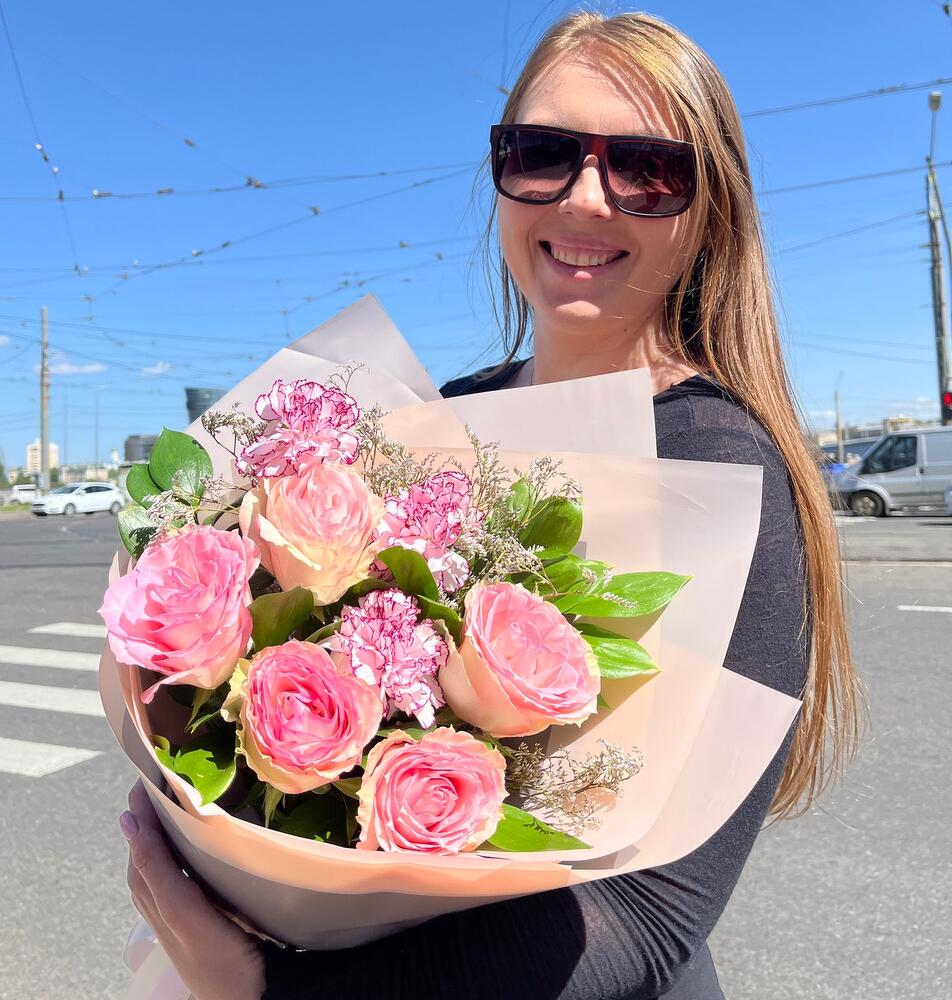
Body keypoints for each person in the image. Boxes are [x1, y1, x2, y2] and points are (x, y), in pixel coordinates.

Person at [119, 10, 861, 999]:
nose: (585, 198)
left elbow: (649, 910)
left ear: (709, 210)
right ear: (501, 174)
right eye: (542, 153)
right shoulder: (437, 420)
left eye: (647, 170)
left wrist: (268, 990)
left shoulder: (716, 465)